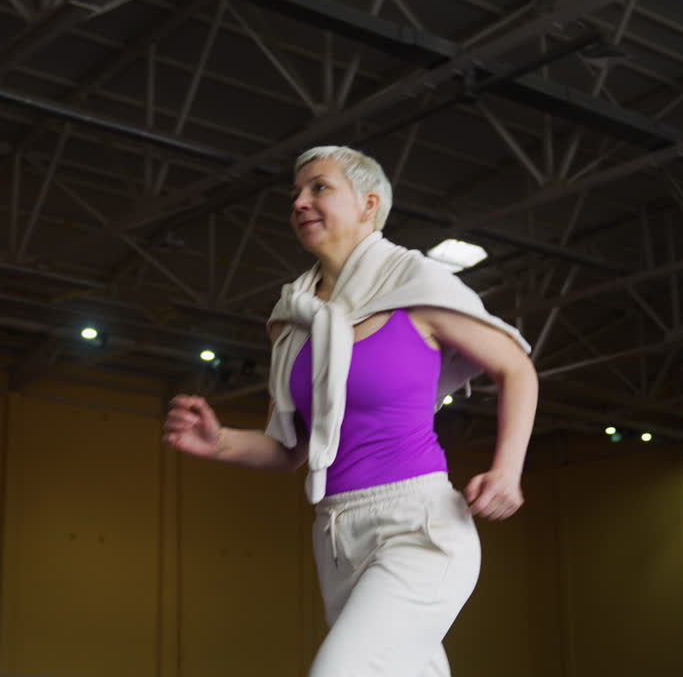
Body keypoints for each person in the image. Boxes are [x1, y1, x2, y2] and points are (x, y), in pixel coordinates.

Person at [162, 145, 538, 676]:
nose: (300, 202)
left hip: (419, 528)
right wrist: (219, 441)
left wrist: (507, 471)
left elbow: (516, 366)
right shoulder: (294, 318)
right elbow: (293, 449)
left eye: (319, 187)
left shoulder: (415, 283)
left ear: (368, 204)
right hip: (337, 539)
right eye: (295, 192)